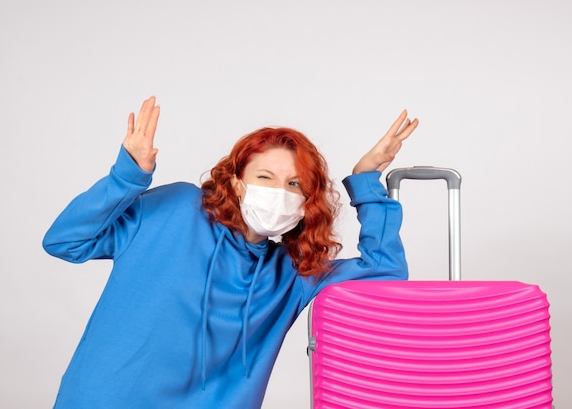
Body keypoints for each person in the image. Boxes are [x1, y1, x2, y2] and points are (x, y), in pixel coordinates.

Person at [42, 95, 418, 408]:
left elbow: (386, 270)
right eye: (265, 178)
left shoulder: (292, 275)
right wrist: (126, 177)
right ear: (237, 184)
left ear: (307, 202)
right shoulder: (178, 207)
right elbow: (65, 241)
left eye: (293, 184)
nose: (280, 192)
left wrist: (367, 180)